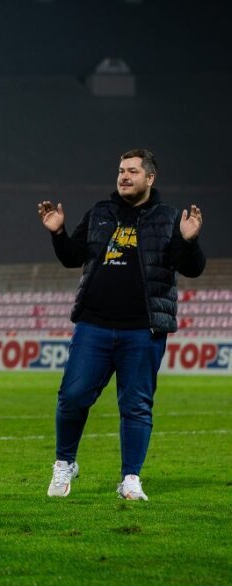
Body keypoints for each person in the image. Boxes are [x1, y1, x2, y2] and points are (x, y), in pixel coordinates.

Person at [38, 149, 205, 501]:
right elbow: (73, 257)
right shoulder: (101, 212)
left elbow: (191, 268)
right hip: (94, 324)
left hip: (142, 330)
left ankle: (130, 479)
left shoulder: (168, 218)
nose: (124, 176)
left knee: (136, 406)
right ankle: (65, 462)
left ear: (150, 178)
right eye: (120, 170)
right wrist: (58, 234)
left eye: (132, 171)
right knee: (72, 397)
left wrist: (189, 241)